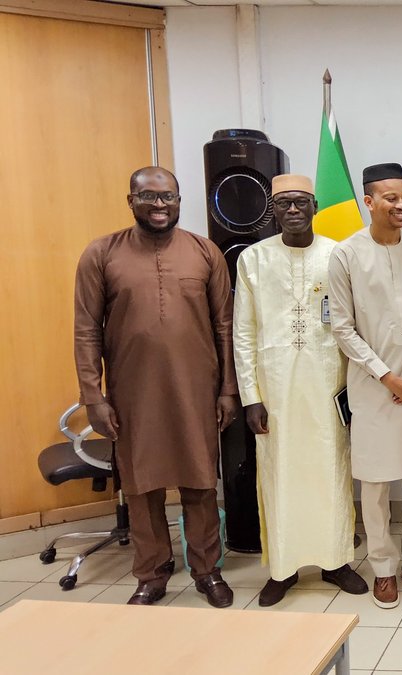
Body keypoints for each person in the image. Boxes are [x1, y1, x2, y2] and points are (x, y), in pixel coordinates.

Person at [74, 166, 236, 608]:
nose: (160, 205)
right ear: (131, 201)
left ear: (180, 200)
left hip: (196, 390)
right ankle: (151, 573)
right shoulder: (102, 253)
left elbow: (225, 327)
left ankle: (207, 570)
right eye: (149, 197)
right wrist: (93, 396)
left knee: (200, 484)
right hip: (132, 393)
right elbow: (86, 330)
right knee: (141, 487)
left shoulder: (205, 253)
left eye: (168, 197)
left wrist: (228, 390)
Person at [232, 174, 367, 607]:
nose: (293, 210)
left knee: (331, 470)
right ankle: (283, 568)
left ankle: (336, 561)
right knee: (278, 475)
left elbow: (353, 325)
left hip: (329, 385)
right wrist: (250, 396)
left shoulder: (337, 254)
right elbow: (243, 332)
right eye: (284, 204)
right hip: (275, 392)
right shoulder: (252, 260)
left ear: (313, 205)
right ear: (272, 210)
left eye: (301, 202)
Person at [328, 163, 402, 608]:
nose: (401, 205)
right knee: (375, 483)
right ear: (369, 202)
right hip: (373, 386)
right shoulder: (346, 254)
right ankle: (382, 568)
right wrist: (388, 376)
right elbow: (342, 327)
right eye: (391, 198)